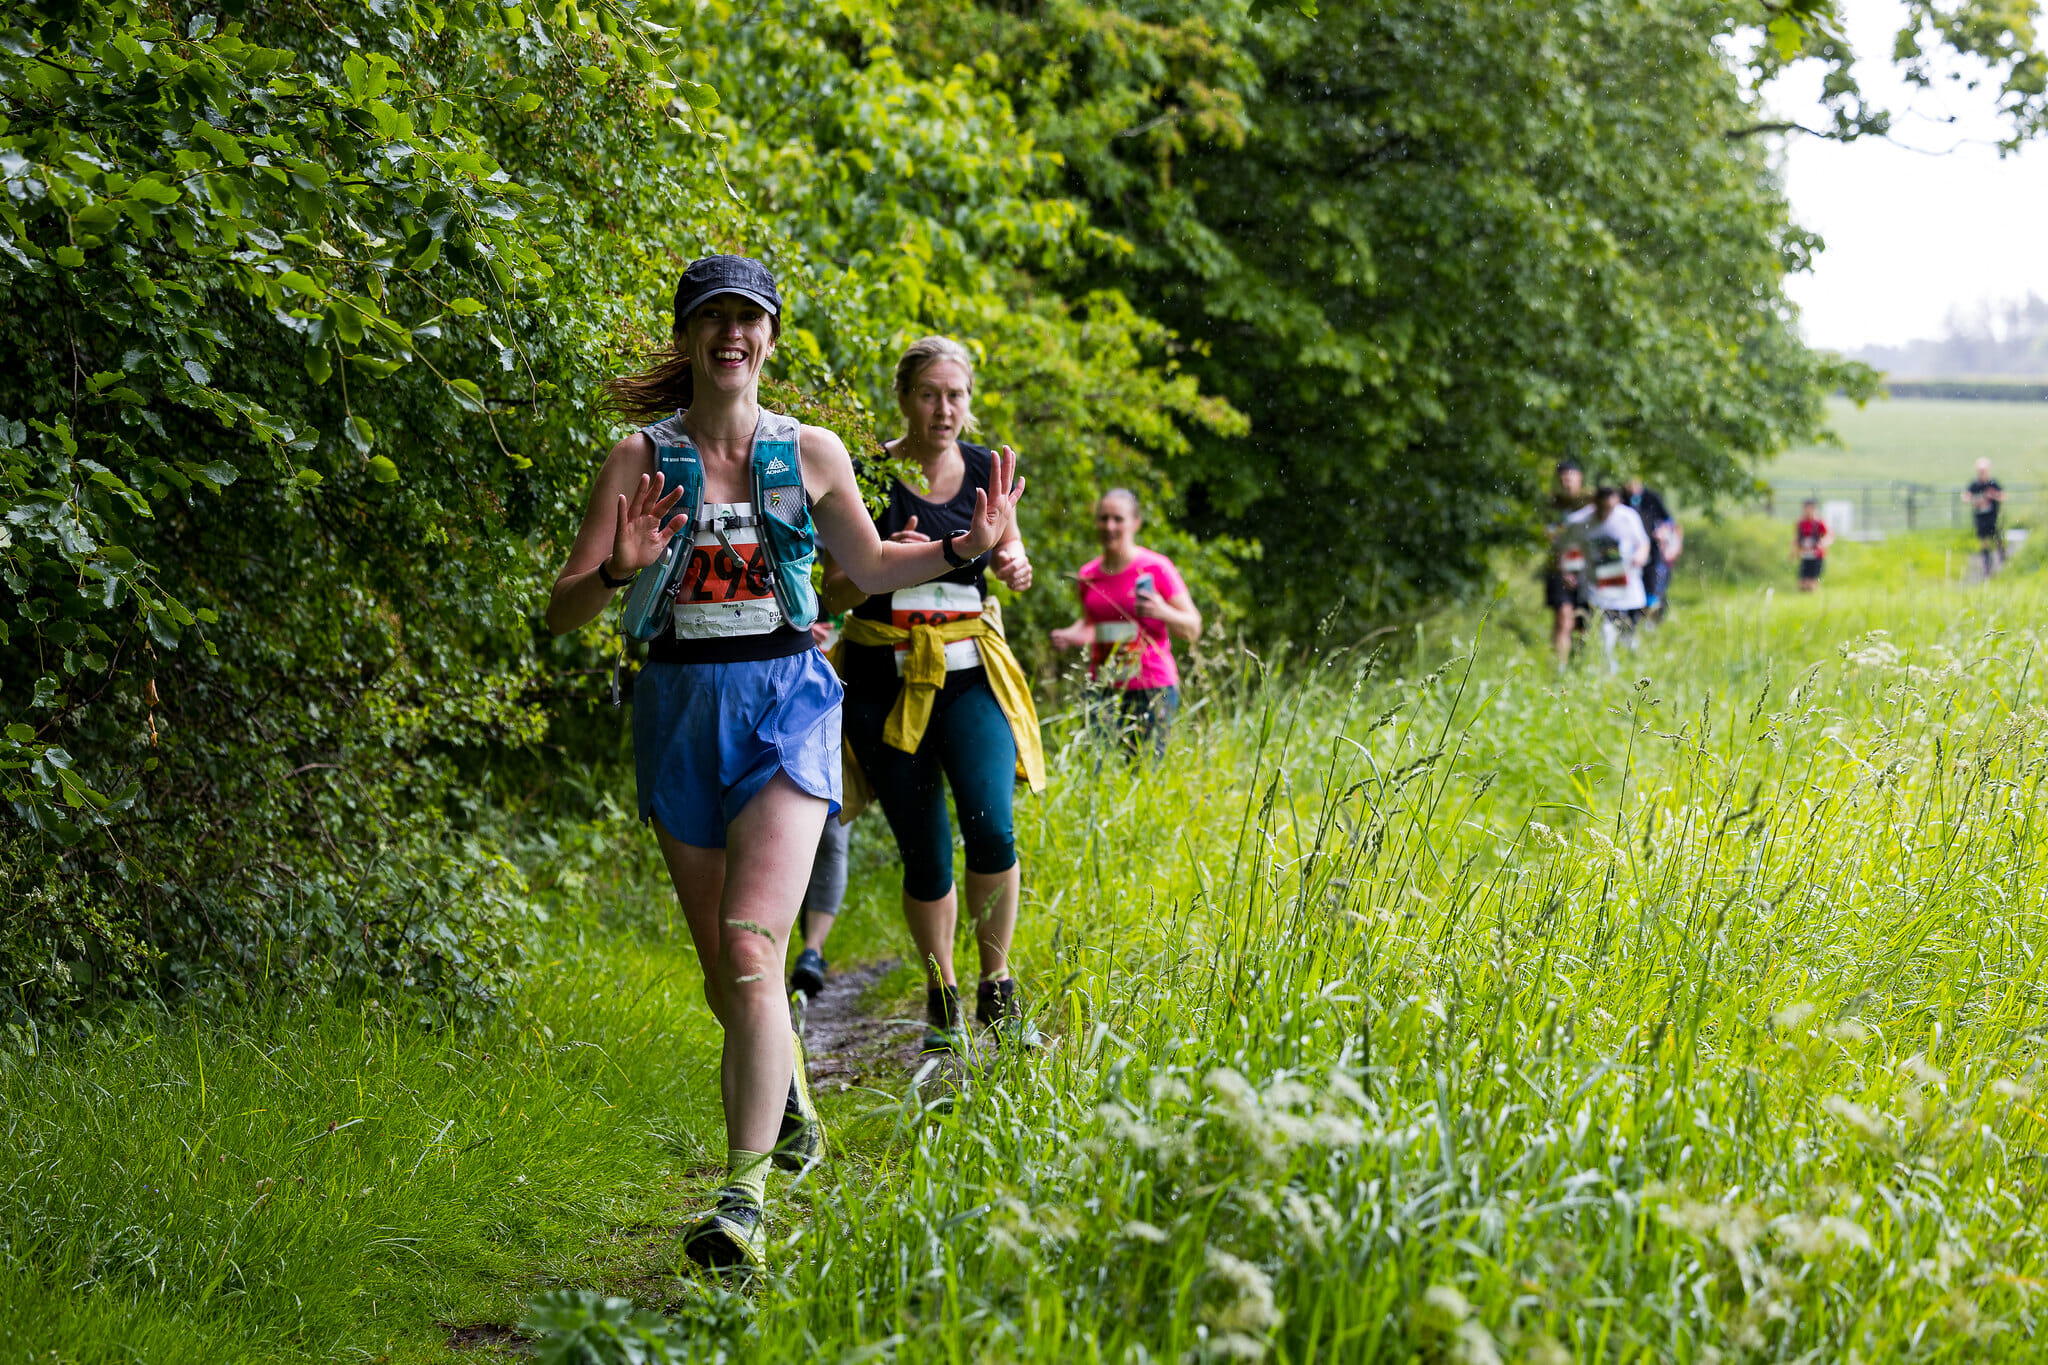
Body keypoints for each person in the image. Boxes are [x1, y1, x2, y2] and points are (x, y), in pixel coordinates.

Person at [544, 258, 1023, 1271]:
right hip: (678, 705)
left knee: (753, 948)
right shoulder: (638, 458)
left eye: (748, 319)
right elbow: (564, 608)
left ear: (768, 336)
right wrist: (619, 569)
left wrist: (961, 550)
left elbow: (871, 565)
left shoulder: (810, 450)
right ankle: (791, 1098)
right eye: (713, 318)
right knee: (727, 978)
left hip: (788, 703)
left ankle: (742, 1203)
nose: (731, 334)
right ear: (688, 335)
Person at [821, 336, 1046, 1055]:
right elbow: (833, 592)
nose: (943, 409)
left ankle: (997, 986)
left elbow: (1008, 547)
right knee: (924, 852)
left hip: (971, 671)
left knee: (993, 829)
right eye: (929, 394)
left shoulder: (986, 469)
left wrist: (1013, 562)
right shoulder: (867, 475)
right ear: (904, 397)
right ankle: (941, 995)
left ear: (968, 399)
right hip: (883, 680)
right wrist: (888, 560)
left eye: (955, 395)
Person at [1050, 489, 1202, 757]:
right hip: (1103, 686)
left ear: (1135, 523)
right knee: (1097, 770)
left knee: (1144, 773)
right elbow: (1091, 625)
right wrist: (1067, 635)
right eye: (1103, 518)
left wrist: (1162, 611)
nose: (1109, 526)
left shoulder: (1156, 567)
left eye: (1118, 519)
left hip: (1152, 688)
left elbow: (1193, 628)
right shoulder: (1088, 573)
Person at [789, 619, 849, 1001]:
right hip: (781, 695)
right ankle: (770, 947)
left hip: (843, 706)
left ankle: (812, 951)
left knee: (832, 836)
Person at [1588, 485, 1651, 673]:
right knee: (1606, 626)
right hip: (1599, 582)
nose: (1606, 512)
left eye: (1610, 507)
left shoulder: (1628, 517)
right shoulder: (1583, 520)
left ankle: (1632, 663)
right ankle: (1609, 667)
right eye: (1602, 507)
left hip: (1628, 578)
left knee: (1628, 627)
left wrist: (1640, 556)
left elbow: (1643, 543)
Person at [1542, 460, 1597, 666]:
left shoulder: (1592, 500)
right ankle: (1560, 667)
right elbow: (1551, 537)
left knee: (1583, 622)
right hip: (1558, 568)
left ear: (1579, 477)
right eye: (1562, 478)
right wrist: (1563, 567)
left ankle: (1579, 663)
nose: (1566, 482)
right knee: (1563, 616)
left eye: (1570, 477)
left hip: (1587, 568)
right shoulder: (1552, 504)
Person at [1624, 476, 1676, 620]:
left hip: (1652, 546)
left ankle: (1652, 616)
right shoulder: (1622, 498)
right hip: (1630, 548)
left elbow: (1668, 520)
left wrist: (1663, 531)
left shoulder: (1651, 497)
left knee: (1653, 580)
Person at [1966, 458, 2006, 579]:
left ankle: (2002, 559)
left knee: (1998, 538)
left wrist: (1993, 495)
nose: (1982, 473)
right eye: (1980, 471)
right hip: (1980, 518)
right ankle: (1987, 567)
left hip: (1993, 516)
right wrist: (1976, 500)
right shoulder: (1974, 485)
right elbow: (1966, 497)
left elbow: (2003, 496)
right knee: (1984, 541)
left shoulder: (1993, 484)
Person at [1793, 498, 1831, 592]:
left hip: (1817, 555)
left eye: (1810, 508)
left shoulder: (1819, 522)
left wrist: (1822, 543)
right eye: (1806, 508)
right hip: (1805, 554)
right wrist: (1795, 551)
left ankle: (1814, 595)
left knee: (1812, 582)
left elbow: (1828, 536)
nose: (1808, 511)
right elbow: (1797, 538)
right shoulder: (1800, 523)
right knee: (1802, 583)